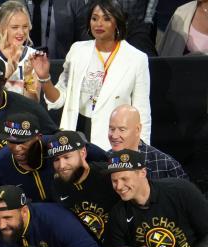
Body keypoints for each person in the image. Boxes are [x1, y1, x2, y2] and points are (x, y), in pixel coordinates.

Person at [33, 0, 151, 149]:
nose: (99, 24)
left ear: (117, 22)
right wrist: (44, 77)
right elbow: (58, 99)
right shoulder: (77, 50)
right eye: (94, 18)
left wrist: (142, 152)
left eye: (106, 19)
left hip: (111, 141)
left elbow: (142, 113)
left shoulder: (136, 59)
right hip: (75, 136)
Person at [103, 150, 208, 247]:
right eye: (114, 181)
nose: (119, 186)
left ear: (142, 172)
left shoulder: (180, 190)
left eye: (124, 179)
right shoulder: (118, 214)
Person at [0, 112, 60, 202]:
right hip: (25, 210)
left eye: (23, 142)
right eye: (12, 142)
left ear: (38, 137)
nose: (17, 148)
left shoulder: (56, 146)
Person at [47, 130, 117, 244]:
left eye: (67, 157)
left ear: (83, 153)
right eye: (56, 159)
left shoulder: (109, 175)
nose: (62, 165)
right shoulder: (57, 185)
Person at [106, 104, 188, 180]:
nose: (114, 136)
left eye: (122, 130)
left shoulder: (166, 165)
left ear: (137, 130)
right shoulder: (104, 160)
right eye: (112, 129)